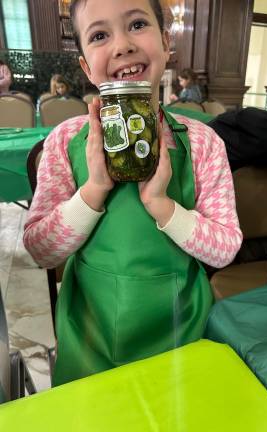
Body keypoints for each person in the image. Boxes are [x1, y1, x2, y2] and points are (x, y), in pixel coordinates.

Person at [23, 0, 242, 386]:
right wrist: (92, 191)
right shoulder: (64, 142)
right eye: (100, 35)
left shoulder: (204, 143)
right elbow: (41, 249)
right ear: (87, 67)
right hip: (89, 331)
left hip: (180, 330)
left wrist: (163, 205)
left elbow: (224, 249)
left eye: (137, 24)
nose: (122, 44)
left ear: (166, 43)